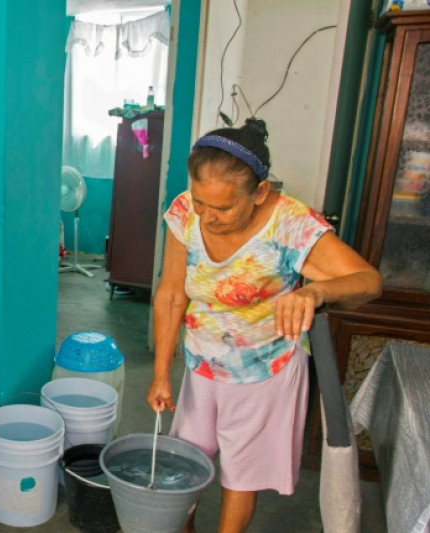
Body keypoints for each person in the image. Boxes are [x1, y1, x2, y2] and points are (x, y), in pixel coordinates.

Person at [146, 118, 382, 533]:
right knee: (183, 464)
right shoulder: (185, 211)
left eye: (223, 207)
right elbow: (170, 294)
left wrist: (314, 293)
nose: (209, 217)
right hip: (203, 363)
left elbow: (368, 282)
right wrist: (162, 373)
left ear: (259, 192)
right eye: (202, 202)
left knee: (242, 473)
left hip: (264, 368)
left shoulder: (289, 223)